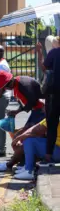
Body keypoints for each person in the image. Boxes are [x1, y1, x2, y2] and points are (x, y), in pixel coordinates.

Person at [42, 37, 60, 169]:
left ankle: (48, 156)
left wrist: (39, 53)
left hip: (54, 95)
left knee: (52, 126)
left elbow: (44, 68)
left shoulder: (54, 53)